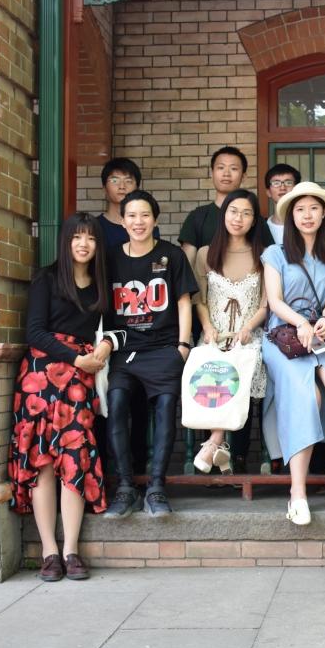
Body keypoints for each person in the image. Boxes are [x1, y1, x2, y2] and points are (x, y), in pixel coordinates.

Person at [9, 213, 109, 581]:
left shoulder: (100, 284)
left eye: (90, 238)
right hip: (40, 379)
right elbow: (35, 332)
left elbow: (113, 327)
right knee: (44, 464)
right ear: (65, 242)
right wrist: (75, 358)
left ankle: (72, 550)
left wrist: (106, 345)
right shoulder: (46, 279)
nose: (84, 244)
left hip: (78, 382)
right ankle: (49, 551)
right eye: (76, 237)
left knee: (74, 460)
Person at [262, 181, 325, 525]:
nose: (307, 215)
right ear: (291, 215)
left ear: (323, 215)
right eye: (300, 209)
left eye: (314, 209)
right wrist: (302, 322)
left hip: (320, 338)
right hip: (283, 338)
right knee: (307, 394)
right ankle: (297, 491)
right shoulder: (275, 253)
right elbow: (274, 301)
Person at [99, 190, 199, 518]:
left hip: (163, 348)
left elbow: (183, 301)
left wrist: (182, 347)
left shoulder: (171, 254)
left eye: (145, 215)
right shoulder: (110, 258)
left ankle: (156, 487)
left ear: (155, 219)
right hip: (124, 350)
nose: (138, 222)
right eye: (132, 215)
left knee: (166, 408)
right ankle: (126, 486)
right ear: (122, 221)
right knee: (116, 403)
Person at [192, 190, 268, 474]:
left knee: (242, 372)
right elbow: (199, 299)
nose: (239, 218)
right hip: (214, 335)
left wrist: (248, 328)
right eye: (233, 211)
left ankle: (222, 447)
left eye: (246, 213)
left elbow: (266, 304)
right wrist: (208, 327)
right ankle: (220, 448)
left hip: (249, 336)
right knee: (210, 374)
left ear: (254, 220)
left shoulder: (264, 255)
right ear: (224, 215)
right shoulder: (205, 253)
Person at [96, 157, 155, 478]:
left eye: (128, 180)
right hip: (105, 325)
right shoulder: (95, 228)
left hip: (142, 325)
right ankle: (108, 468)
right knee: (106, 397)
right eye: (115, 179)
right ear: (104, 186)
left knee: (139, 402)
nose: (121, 185)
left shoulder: (146, 230)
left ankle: (137, 468)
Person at [179, 146, 273, 266]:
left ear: (243, 176)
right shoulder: (197, 217)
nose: (226, 174)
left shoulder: (255, 219)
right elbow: (187, 265)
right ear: (212, 173)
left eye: (233, 168)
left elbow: (269, 260)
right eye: (221, 167)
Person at [98, 158, 159, 248]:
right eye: (114, 181)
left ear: (137, 188)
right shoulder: (94, 226)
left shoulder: (145, 226)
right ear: (104, 188)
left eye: (128, 181)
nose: (122, 186)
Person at [264, 163, 300, 245]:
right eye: (276, 183)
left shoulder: (307, 224)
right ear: (268, 192)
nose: (282, 188)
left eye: (288, 183)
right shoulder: (260, 228)